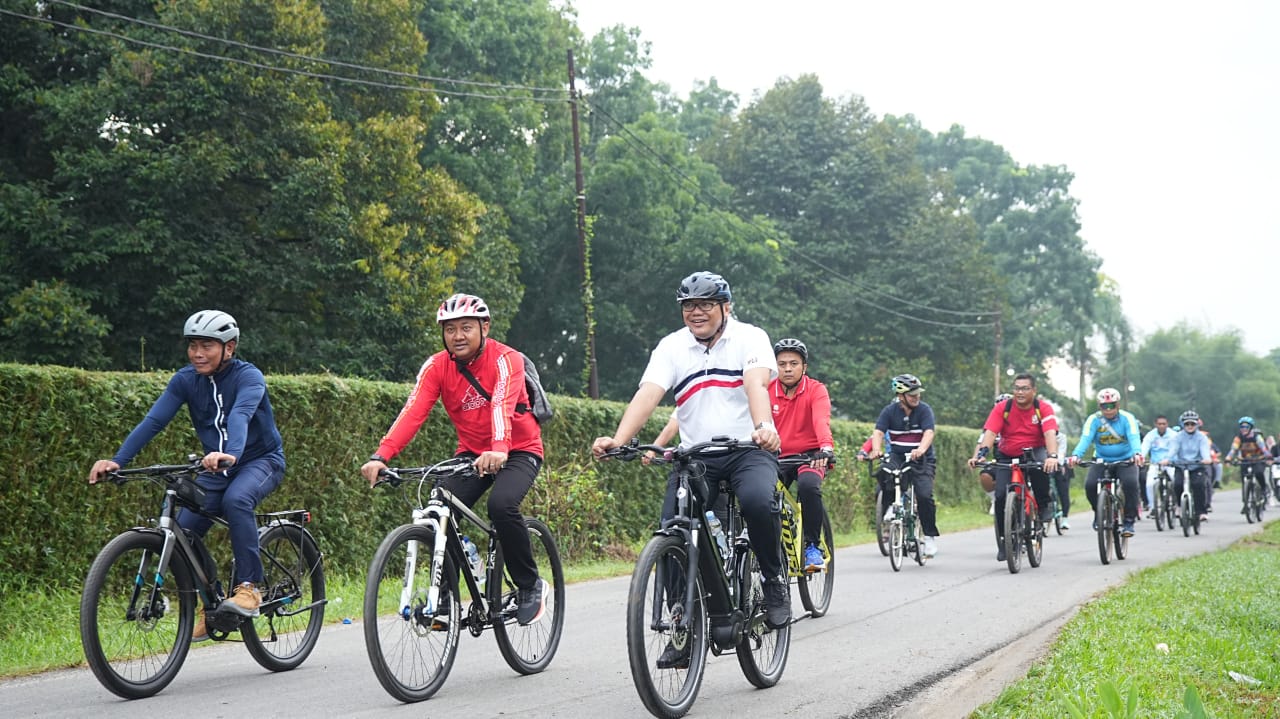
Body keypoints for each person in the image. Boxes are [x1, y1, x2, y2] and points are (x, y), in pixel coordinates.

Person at [591, 270, 790, 646]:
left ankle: (772, 577)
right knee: (674, 527)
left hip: (748, 448)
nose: (696, 312)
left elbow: (756, 384)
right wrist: (618, 439)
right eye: (688, 306)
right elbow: (649, 395)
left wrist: (764, 426)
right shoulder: (671, 347)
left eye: (705, 305)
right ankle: (682, 625)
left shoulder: (751, 338)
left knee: (757, 501)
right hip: (696, 456)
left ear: (725, 307)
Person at [89, 310, 285, 642]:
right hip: (215, 467)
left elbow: (239, 415)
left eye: (207, 345)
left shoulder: (249, 378)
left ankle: (250, 588)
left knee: (238, 500)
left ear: (230, 347)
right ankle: (215, 605)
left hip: (259, 461)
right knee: (184, 531)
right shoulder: (184, 380)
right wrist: (117, 460)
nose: (197, 353)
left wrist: (231, 453)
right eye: (193, 345)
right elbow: (153, 421)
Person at [360, 293, 547, 625]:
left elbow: (501, 405)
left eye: (465, 327)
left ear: (484, 327)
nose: (457, 336)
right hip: (473, 454)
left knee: (501, 505)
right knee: (439, 504)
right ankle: (445, 595)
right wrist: (381, 455)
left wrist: (500, 448)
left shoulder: (507, 359)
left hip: (518, 448)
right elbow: (413, 412)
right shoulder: (436, 367)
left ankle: (530, 585)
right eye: (449, 329)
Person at [967, 372, 1060, 562]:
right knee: (1001, 495)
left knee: (1041, 469)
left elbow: (1050, 433)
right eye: (1017, 388)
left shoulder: (1043, 408)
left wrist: (1052, 456)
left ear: (1034, 390)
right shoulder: (1003, 408)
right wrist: (981, 455)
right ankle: (1004, 540)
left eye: (1025, 388)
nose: (1020, 392)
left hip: (1035, 450)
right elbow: (991, 433)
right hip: (1007, 453)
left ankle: (1044, 505)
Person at [769, 338, 835, 571]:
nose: (787, 368)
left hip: (811, 455)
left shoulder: (816, 390)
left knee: (808, 486)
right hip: (776, 455)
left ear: (804, 367)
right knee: (760, 492)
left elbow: (820, 420)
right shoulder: (766, 391)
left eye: (794, 363)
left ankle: (812, 546)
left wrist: (825, 448)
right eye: (782, 363)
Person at [869, 373, 940, 558]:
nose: (916, 397)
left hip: (922, 458)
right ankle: (892, 506)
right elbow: (878, 432)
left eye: (918, 393)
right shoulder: (889, 411)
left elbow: (929, 433)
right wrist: (876, 449)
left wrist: (921, 449)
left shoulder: (925, 410)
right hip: (898, 455)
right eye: (912, 394)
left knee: (924, 496)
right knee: (884, 476)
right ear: (901, 397)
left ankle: (930, 536)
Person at [1066, 387, 1144, 536]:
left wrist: (1137, 453)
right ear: (1099, 407)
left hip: (1126, 459)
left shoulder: (1127, 418)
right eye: (1104, 406)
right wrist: (1076, 455)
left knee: (1131, 484)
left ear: (1118, 405)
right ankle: (1099, 512)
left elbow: (1134, 437)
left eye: (1112, 405)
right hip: (1101, 459)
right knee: (1090, 485)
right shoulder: (1093, 420)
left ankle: (1128, 521)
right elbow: (1086, 438)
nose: (1108, 410)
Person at [1159, 410, 1212, 522]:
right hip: (1181, 466)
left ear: (1196, 424)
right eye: (1187, 424)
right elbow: (1173, 449)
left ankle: (1201, 511)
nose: (1189, 426)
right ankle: (1178, 505)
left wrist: (1206, 459)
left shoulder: (1202, 437)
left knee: (1199, 485)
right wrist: (1167, 459)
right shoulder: (1178, 437)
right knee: (1177, 484)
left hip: (1196, 466)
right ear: (1183, 424)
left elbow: (1204, 450)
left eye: (1192, 424)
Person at [1224, 416, 1273, 512]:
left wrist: (1269, 457)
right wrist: (1228, 459)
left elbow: (1263, 448)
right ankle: (1245, 503)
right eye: (1241, 427)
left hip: (1258, 459)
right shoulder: (1239, 438)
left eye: (1246, 427)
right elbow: (1233, 449)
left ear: (1250, 427)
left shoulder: (1256, 437)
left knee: (1259, 473)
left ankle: (1263, 489)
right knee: (1244, 480)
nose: (1243, 429)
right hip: (1245, 460)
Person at [1140, 414, 1179, 515]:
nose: (1161, 426)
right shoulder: (1150, 435)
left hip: (1171, 464)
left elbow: (1176, 449)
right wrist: (1141, 458)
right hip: (1155, 464)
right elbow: (1144, 447)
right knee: (1149, 484)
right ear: (1155, 424)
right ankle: (1153, 507)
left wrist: (1169, 460)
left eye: (1164, 424)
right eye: (1159, 424)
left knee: (1176, 481)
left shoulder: (1174, 435)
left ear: (1167, 424)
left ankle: (1176, 503)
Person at [1052, 428, 1075, 530]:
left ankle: (1065, 518)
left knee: (1063, 492)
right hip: (1046, 465)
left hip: (1060, 465)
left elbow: (1062, 453)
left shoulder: (1061, 437)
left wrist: (1058, 462)